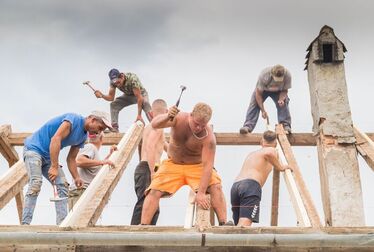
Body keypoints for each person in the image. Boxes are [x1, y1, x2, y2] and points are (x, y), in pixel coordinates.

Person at [141, 102, 227, 225]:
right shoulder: (179, 118)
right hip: (172, 164)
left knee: (216, 186)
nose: (199, 128)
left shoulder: (209, 138)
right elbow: (154, 124)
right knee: (153, 190)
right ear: (191, 115)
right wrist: (167, 116)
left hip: (197, 166)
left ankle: (224, 224)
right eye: (196, 124)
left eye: (203, 125)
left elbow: (208, 166)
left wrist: (201, 193)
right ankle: (143, 226)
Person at [22, 111, 112, 225]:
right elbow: (56, 139)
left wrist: (76, 177)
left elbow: (71, 158)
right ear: (92, 119)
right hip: (33, 150)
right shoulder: (73, 120)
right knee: (36, 182)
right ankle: (26, 223)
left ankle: (62, 225)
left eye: (102, 130)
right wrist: (54, 166)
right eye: (100, 127)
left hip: (49, 156)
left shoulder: (83, 137)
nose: (99, 132)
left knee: (63, 186)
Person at [230, 130, 292, 226]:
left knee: (237, 224)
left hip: (236, 187)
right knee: (244, 225)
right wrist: (280, 167)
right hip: (250, 186)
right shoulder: (271, 149)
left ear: (261, 142)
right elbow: (269, 154)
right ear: (275, 143)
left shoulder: (253, 154)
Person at [130, 99, 168, 225]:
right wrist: (152, 172)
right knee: (145, 204)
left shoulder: (150, 127)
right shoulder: (158, 127)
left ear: (151, 113)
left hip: (144, 167)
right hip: (148, 168)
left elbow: (168, 149)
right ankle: (134, 238)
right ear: (167, 112)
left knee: (152, 206)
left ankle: (145, 236)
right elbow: (150, 147)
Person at [68, 132, 117, 210]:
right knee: (80, 222)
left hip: (83, 191)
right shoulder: (90, 147)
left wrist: (110, 155)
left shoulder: (92, 151)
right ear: (102, 139)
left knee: (82, 221)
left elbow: (96, 168)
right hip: (81, 191)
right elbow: (79, 161)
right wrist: (102, 162)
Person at [240, 64, 292, 134]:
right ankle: (248, 126)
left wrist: (281, 99)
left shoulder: (287, 76)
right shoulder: (264, 75)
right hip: (263, 90)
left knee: (284, 102)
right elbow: (258, 94)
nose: (277, 82)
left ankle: (285, 126)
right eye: (276, 79)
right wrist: (263, 110)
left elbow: (285, 90)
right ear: (272, 74)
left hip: (279, 92)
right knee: (254, 103)